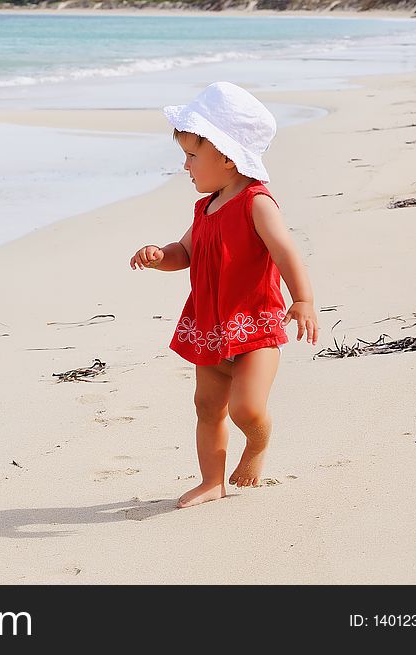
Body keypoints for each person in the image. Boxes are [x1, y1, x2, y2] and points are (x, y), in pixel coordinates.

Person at [129, 81, 319, 509]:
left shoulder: (256, 202)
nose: (185, 166)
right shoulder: (206, 207)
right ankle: (211, 480)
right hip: (210, 326)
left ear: (228, 158)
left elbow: (285, 251)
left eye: (192, 156)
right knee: (207, 407)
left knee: (246, 409)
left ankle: (257, 442)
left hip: (253, 323)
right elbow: (186, 253)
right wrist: (161, 256)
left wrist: (302, 299)